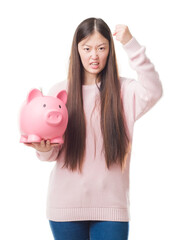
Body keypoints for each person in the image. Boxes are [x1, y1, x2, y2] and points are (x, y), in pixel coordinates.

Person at [25, 18, 163, 240]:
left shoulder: (125, 91)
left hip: (112, 209)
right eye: (87, 48)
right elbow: (53, 153)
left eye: (101, 48)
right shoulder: (60, 91)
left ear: (110, 49)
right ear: (77, 49)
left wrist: (130, 43)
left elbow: (154, 89)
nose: (94, 56)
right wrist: (42, 149)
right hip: (65, 208)